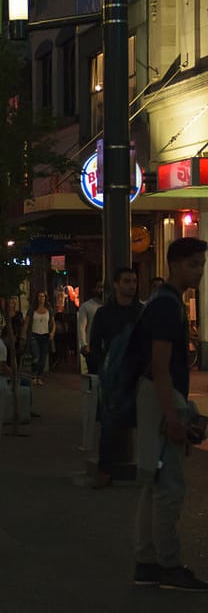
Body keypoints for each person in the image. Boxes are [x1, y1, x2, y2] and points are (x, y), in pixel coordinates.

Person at [132, 237, 208, 591]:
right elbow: (160, 366)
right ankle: (169, 565)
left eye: (202, 264)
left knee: (155, 481)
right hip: (162, 397)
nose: (200, 271)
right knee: (170, 486)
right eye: (193, 263)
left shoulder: (165, 302)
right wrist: (173, 416)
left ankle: (147, 562)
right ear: (175, 265)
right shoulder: (167, 305)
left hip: (155, 395)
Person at [85, 266, 141, 489]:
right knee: (109, 424)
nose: (131, 285)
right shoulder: (104, 313)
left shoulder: (140, 311)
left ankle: (149, 470)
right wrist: (102, 366)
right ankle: (105, 470)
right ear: (116, 284)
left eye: (134, 281)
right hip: (113, 376)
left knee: (143, 422)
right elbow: (95, 343)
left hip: (136, 374)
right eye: (126, 281)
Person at [26, 290, 55, 385]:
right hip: (34, 334)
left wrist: (52, 333)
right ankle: (34, 375)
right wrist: (24, 336)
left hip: (45, 335)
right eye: (39, 296)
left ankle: (39, 376)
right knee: (36, 356)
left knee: (43, 358)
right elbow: (27, 322)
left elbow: (53, 323)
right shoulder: (32, 310)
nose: (41, 299)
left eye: (43, 297)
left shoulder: (49, 309)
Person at [77, 280, 104, 375]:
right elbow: (81, 327)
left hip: (107, 347)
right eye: (100, 287)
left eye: (103, 287)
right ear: (95, 289)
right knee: (94, 375)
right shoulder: (86, 306)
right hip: (92, 347)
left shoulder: (110, 306)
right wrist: (84, 344)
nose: (102, 290)